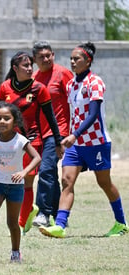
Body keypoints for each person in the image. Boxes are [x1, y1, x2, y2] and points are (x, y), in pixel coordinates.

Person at [39, 42, 128, 238]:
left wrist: (74, 134)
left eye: (76, 59)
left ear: (88, 61)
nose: (72, 62)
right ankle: (60, 226)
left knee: (104, 183)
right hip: (75, 144)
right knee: (66, 181)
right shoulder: (71, 84)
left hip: (96, 142)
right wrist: (66, 137)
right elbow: (73, 114)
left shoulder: (95, 82)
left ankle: (121, 223)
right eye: (71, 59)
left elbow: (93, 114)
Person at [0, 51, 62, 235]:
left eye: (31, 65)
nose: (30, 69)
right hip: (8, 142)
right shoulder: (5, 87)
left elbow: (51, 118)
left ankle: (20, 224)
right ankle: (27, 213)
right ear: (15, 68)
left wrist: (58, 141)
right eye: (26, 66)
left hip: (31, 140)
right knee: (9, 179)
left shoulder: (39, 89)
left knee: (26, 182)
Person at [0, 102, 41, 264]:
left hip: (15, 187)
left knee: (12, 222)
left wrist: (24, 172)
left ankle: (16, 253)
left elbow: (37, 157)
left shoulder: (21, 140)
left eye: (6, 118)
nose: (2, 122)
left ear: (15, 121)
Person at [31, 41, 74, 227]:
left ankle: (43, 212)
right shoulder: (33, 78)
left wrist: (73, 132)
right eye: (42, 57)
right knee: (49, 173)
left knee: (46, 169)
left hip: (60, 132)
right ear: (35, 60)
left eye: (49, 55)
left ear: (53, 55)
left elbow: (75, 101)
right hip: (40, 133)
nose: (46, 59)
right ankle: (59, 215)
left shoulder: (63, 73)